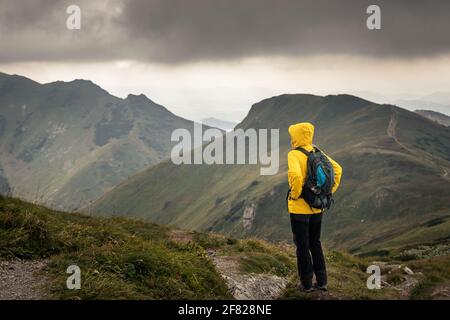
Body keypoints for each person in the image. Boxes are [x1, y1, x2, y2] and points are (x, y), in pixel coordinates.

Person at [287, 122, 342, 292]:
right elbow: (337, 170)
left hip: (299, 210)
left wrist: (295, 195)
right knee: (315, 243)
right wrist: (327, 193)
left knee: (302, 246)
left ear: (295, 136)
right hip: (318, 207)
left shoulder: (294, 154)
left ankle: (307, 284)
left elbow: (295, 176)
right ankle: (323, 281)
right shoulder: (317, 151)